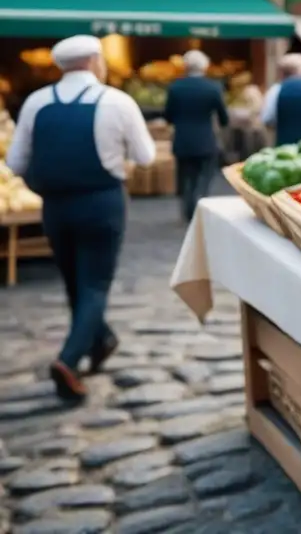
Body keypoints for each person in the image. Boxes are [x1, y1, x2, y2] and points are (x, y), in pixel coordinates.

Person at [5, 35, 156, 400]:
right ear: (94, 61)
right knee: (94, 284)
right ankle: (69, 360)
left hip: (55, 206)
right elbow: (146, 156)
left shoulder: (36, 103)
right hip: (101, 203)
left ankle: (101, 340)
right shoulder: (116, 101)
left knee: (75, 280)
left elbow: (14, 163)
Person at [164, 50, 229, 223]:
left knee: (185, 177)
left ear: (185, 66)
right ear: (205, 66)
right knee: (204, 176)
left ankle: (188, 211)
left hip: (182, 138)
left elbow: (168, 116)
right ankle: (200, 205)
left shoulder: (175, 88)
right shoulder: (213, 88)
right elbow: (223, 118)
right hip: (205, 139)